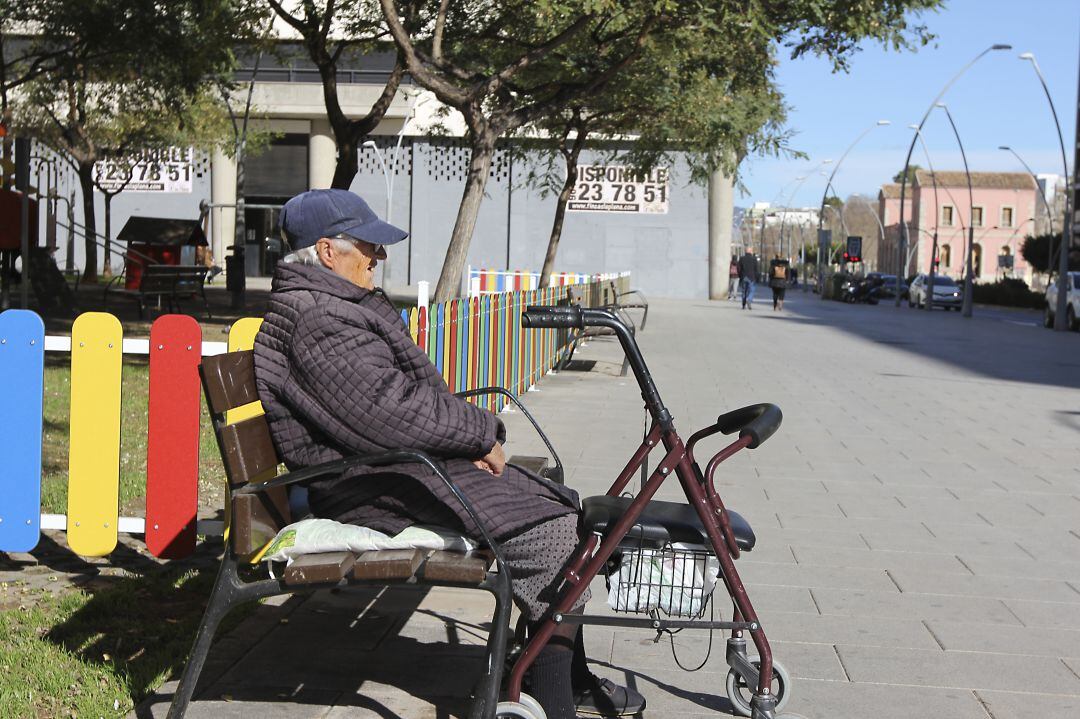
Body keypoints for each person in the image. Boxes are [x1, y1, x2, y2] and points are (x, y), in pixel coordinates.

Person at [251, 189, 643, 719]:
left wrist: (468, 436)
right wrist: (478, 433)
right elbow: (388, 411)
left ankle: (562, 677)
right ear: (326, 251)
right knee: (556, 539)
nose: (379, 256)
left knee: (574, 516)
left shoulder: (334, 304)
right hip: (367, 485)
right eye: (368, 245)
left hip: (392, 467)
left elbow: (403, 402)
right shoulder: (318, 318)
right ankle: (554, 699)